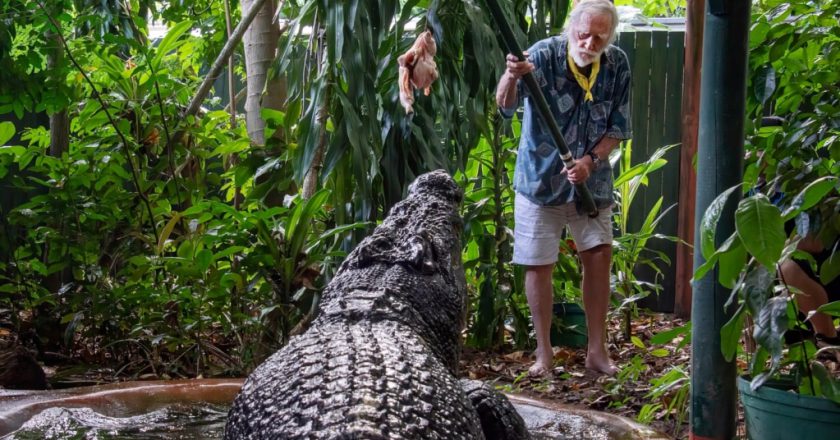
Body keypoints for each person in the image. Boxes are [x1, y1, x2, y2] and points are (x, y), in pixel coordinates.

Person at [495, 0, 631, 376]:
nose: (588, 42)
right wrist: (512, 75)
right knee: (539, 263)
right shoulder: (541, 55)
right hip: (540, 181)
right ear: (570, 28)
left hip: (592, 182)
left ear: (609, 36)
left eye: (598, 36)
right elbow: (504, 107)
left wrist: (591, 161)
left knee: (599, 255)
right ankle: (543, 354)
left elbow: (618, 127)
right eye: (582, 33)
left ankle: (597, 352)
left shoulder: (617, 64)